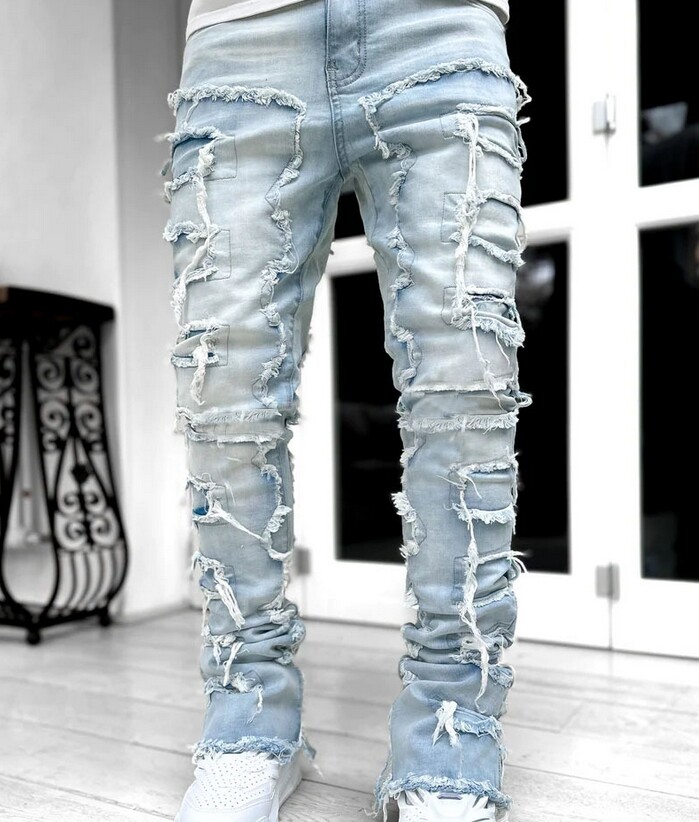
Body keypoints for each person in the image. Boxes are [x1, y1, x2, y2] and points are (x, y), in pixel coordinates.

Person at [160, 1, 530, 820]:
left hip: (439, 24)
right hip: (240, 36)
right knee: (225, 393)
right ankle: (249, 720)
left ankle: (449, 736)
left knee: (465, 389)